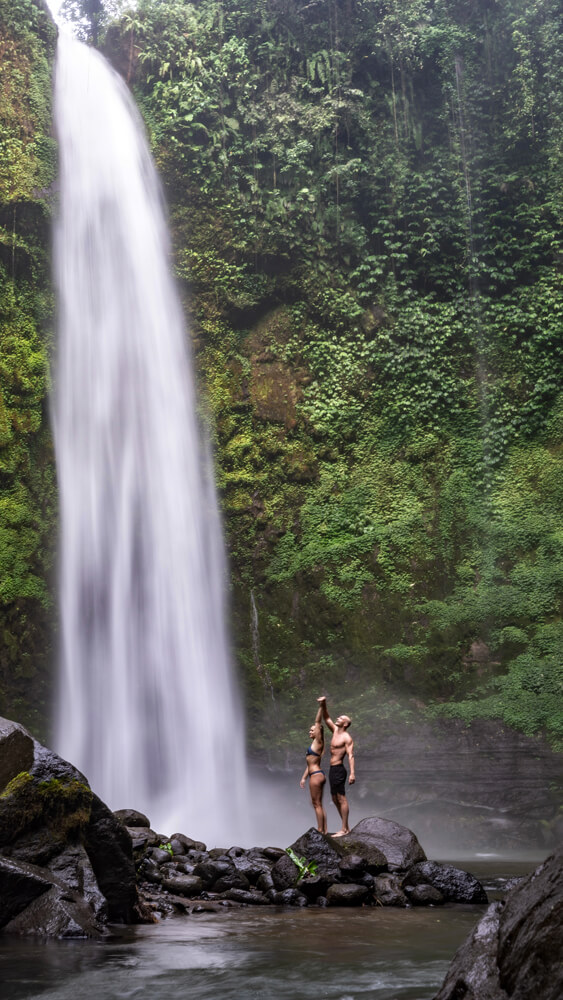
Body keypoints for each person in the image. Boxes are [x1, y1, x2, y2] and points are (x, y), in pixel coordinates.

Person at [317, 695, 354, 836]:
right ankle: (345, 827)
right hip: (332, 769)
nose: (337, 719)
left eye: (340, 719)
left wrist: (352, 773)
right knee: (334, 798)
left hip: (339, 769)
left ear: (345, 724)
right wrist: (323, 704)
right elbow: (326, 718)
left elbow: (351, 755)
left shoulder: (346, 737)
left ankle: (344, 829)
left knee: (341, 798)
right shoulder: (334, 731)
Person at [300, 702, 327, 834]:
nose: (310, 731)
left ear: (318, 732)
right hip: (316, 773)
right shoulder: (314, 744)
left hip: (316, 775)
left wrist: (321, 706)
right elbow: (309, 764)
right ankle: (324, 829)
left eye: (312, 730)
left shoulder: (318, 742)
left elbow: (318, 721)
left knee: (316, 804)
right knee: (318, 804)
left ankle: (321, 830)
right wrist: (304, 778)